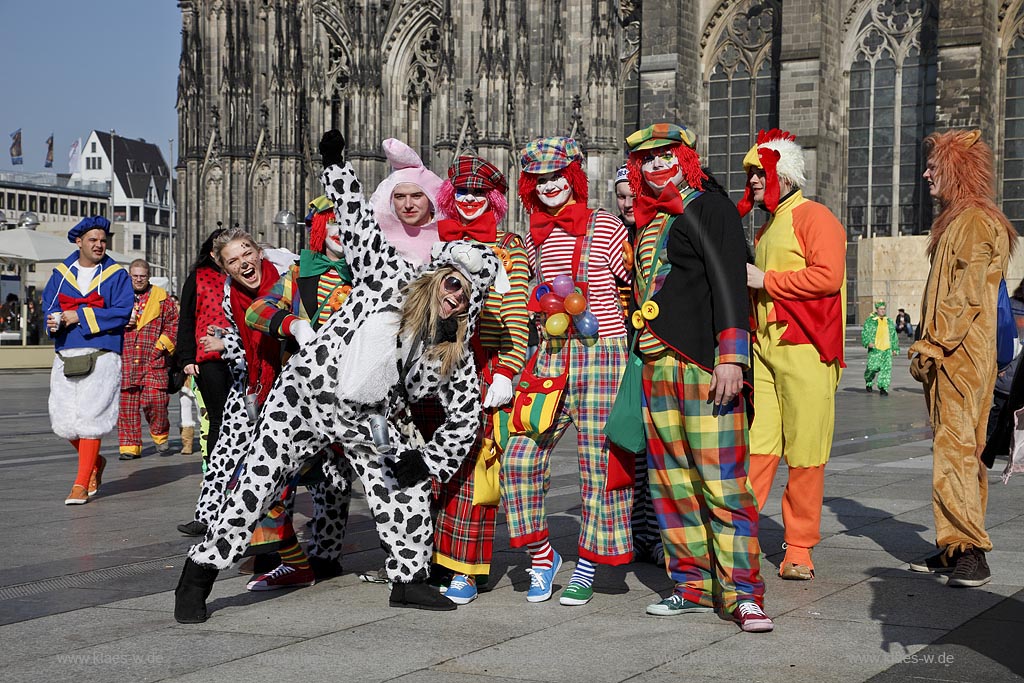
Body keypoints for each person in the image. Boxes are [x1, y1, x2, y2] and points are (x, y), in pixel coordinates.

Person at [173, 159, 502, 622]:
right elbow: (359, 223)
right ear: (438, 275)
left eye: (468, 293)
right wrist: (336, 167)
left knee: (402, 489)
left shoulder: (453, 347)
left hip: (370, 417)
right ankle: (198, 575)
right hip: (304, 396)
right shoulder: (390, 274)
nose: (456, 295)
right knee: (257, 487)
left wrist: (428, 461)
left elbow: (466, 414)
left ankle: (409, 581)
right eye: (453, 282)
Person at [622, 123, 771, 632]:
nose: (656, 165)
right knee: (672, 485)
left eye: (666, 156)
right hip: (656, 367)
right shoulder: (648, 221)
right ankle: (691, 584)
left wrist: (732, 356)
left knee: (723, 485)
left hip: (703, 366)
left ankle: (743, 592)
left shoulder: (708, 205)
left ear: (684, 157)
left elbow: (729, 278)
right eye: (646, 160)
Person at [501, 136, 633, 606]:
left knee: (598, 465)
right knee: (517, 455)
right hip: (552, 354)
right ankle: (541, 554)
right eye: (540, 180)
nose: (550, 185)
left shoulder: (607, 226)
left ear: (574, 177)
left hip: (602, 352)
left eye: (557, 177)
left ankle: (590, 565)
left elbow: (633, 283)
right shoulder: (535, 238)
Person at [907, 129, 1017, 587]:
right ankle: (954, 546)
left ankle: (973, 551)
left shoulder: (974, 222)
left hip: (960, 357)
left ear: (956, 170)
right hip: (955, 357)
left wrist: (932, 344)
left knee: (956, 454)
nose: (927, 172)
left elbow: (967, 293)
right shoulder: (960, 220)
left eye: (935, 165)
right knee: (958, 452)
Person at [741, 129, 846, 581]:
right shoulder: (768, 226)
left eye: (757, 174)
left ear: (781, 173)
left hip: (806, 349)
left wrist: (767, 281)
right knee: (757, 447)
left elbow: (828, 276)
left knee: (805, 451)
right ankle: (738, 536)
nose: (753, 183)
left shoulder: (813, 216)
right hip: (765, 351)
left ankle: (799, 546)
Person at [241, 195, 357, 589]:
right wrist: (291, 324)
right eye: (333, 222)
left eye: (348, 222)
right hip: (301, 392)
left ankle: (324, 559)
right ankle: (288, 556)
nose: (342, 231)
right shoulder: (299, 273)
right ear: (320, 228)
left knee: (335, 482)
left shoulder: (370, 272)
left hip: (350, 392)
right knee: (273, 478)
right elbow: (256, 311)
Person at [431, 154, 531, 603]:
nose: (470, 200)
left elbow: (517, 310)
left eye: (478, 193)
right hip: (433, 367)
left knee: (474, 472)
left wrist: (508, 370)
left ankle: (466, 572)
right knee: (433, 470)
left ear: (492, 198)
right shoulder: (436, 241)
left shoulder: (508, 244)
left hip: (481, 365)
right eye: (463, 192)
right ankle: (433, 559)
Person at [178, 228, 286, 539]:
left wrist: (226, 346)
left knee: (321, 469)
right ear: (225, 268)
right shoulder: (230, 293)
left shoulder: (285, 281)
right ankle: (207, 515)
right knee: (225, 448)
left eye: (247, 253)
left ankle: (321, 544)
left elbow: (282, 336)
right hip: (251, 381)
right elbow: (245, 340)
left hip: (292, 382)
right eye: (233, 260)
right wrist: (226, 340)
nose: (244, 264)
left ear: (259, 252)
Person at [42, 216, 133, 504]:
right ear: (79, 241)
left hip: (103, 352)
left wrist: (79, 315)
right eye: (93, 240)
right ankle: (94, 462)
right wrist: (53, 321)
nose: (99, 245)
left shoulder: (117, 275)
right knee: (65, 419)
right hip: (67, 350)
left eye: (103, 240)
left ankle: (80, 483)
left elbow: (122, 312)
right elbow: (49, 307)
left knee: (91, 417)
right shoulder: (60, 274)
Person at [614, 162, 662, 567]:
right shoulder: (616, 235)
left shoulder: (657, 229)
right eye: (622, 197)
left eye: (634, 195)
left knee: (655, 445)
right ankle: (638, 530)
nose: (628, 204)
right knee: (634, 446)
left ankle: (653, 533)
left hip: (654, 347)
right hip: (624, 350)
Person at [174, 228, 231, 479]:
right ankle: (217, 475)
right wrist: (186, 358)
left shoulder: (242, 275)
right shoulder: (198, 277)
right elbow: (185, 319)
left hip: (241, 355)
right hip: (208, 357)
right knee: (218, 417)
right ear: (212, 252)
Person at [117, 259, 178, 459]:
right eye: (135, 276)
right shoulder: (118, 298)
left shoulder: (163, 299)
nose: (139, 279)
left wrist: (162, 344)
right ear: (129, 276)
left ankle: (160, 433)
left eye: (142, 276)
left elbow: (174, 324)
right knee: (127, 404)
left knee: (156, 400)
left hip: (153, 358)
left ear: (148, 276)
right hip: (126, 357)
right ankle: (129, 446)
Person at [861, 301, 898, 396]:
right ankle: (868, 380)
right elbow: (865, 332)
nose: (883, 311)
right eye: (881, 309)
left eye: (884, 309)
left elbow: (894, 336)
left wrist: (895, 348)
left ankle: (883, 388)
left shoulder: (889, 322)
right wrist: (867, 342)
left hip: (887, 349)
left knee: (886, 370)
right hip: (875, 349)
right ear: (877, 310)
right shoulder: (870, 321)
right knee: (872, 368)